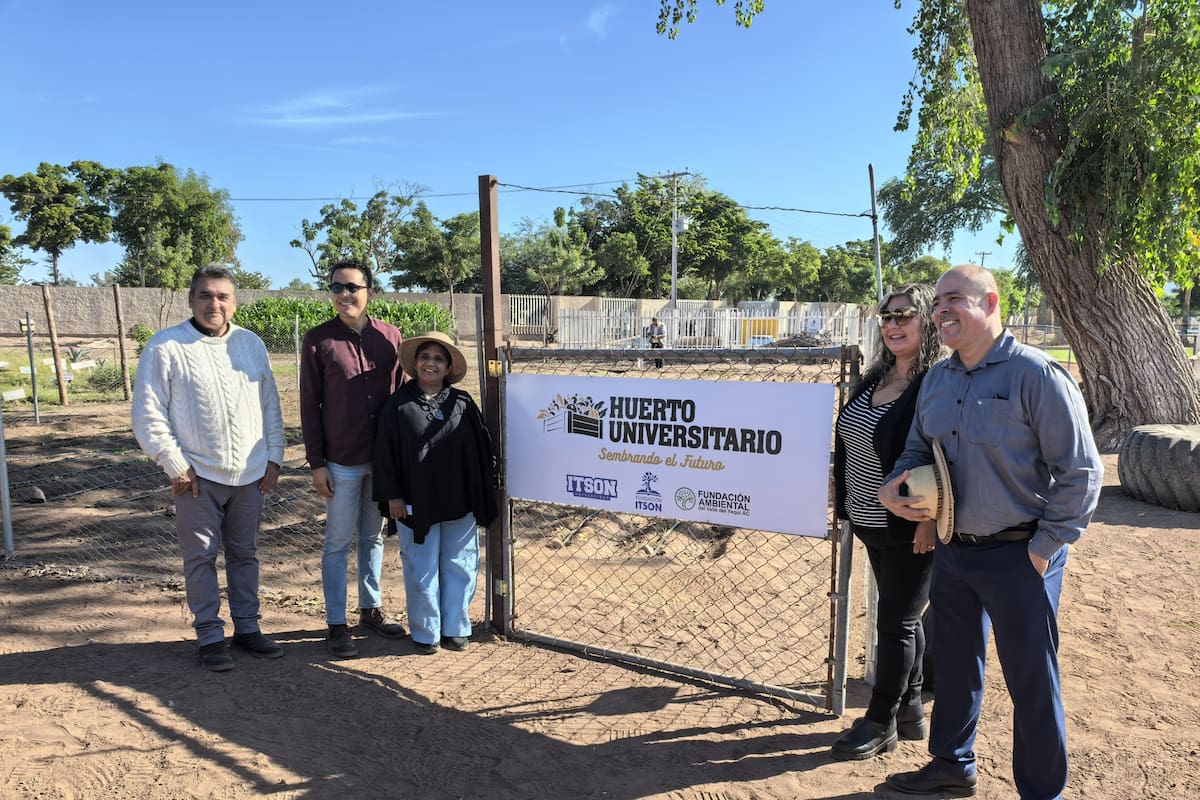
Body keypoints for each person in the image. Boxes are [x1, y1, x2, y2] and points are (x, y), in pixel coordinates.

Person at [879, 265, 1103, 799]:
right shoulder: (937, 379)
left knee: (1031, 680)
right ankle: (951, 766)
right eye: (936, 302)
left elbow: (1082, 472)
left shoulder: (1036, 375)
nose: (941, 310)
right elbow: (916, 451)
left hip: (1022, 555)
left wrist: (1044, 549)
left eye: (954, 298)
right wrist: (896, 487)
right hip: (955, 553)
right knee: (955, 668)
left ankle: (1041, 791)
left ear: (991, 302)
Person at [132, 265, 286, 672]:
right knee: (200, 558)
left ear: (233, 302)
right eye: (205, 295)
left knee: (244, 554)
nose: (214, 304)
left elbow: (270, 404)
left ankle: (248, 629)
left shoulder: (251, 344)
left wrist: (274, 456)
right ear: (191, 299)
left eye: (222, 296)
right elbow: (148, 415)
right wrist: (175, 464)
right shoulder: (165, 347)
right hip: (197, 478)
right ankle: (209, 635)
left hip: (251, 475)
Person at [830, 284, 943, 761]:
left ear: (927, 323)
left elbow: (942, 456)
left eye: (905, 315)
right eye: (887, 316)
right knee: (905, 617)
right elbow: (850, 441)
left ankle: (880, 722)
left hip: (909, 525)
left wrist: (928, 521)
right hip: (869, 518)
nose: (893, 324)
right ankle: (911, 707)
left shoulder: (934, 382)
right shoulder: (875, 377)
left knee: (894, 622)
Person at [301, 259, 408, 659]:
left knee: (373, 537)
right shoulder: (318, 341)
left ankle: (371, 609)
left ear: (369, 291)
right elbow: (310, 405)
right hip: (341, 460)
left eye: (352, 287)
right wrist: (317, 463)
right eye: (337, 288)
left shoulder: (390, 337)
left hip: (379, 459)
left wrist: (399, 460)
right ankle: (335, 622)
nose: (344, 295)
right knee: (337, 542)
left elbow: (399, 398)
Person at [373, 331, 498, 655]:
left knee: (461, 563)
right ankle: (426, 631)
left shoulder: (462, 403)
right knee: (422, 565)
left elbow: (481, 452)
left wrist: (479, 493)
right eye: (425, 357)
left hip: (459, 501)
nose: (431, 363)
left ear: (448, 367)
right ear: (415, 364)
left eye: (438, 359)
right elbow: (384, 456)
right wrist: (393, 496)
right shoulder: (397, 406)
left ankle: (455, 627)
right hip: (416, 502)